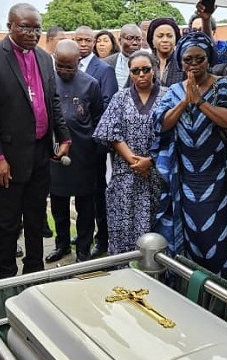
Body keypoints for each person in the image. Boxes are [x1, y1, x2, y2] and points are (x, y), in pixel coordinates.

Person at [0, 3, 70, 279]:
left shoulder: (43, 57)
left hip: (40, 151)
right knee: (8, 222)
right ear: (10, 26)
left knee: (37, 216)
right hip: (6, 156)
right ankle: (6, 277)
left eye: (36, 28)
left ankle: (35, 273)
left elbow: (52, 101)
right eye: (25, 27)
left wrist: (63, 136)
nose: (32, 33)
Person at [150, 33, 227, 283]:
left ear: (209, 59)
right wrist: (185, 101)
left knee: (218, 235)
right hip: (185, 179)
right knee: (189, 234)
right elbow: (161, 124)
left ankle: (220, 291)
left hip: (218, 178)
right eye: (187, 59)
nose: (193, 64)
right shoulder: (173, 90)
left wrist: (200, 101)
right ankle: (190, 289)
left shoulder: (223, 85)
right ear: (180, 62)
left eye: (199, 59)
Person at [93, 51, 167, 256]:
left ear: (154, 70)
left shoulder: (168, 95)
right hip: (126, 173)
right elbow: (111, 132)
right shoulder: (120, 97)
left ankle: (156, 273)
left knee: (155, 227)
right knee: (123, 225)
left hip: (157, 173)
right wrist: (134, 161)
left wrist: (149, 162)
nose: (141, 74)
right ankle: (123, 271)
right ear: (130, 73)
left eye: (146, 69)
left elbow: (172, 135)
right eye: (136, 71)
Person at [46, 40, 103, 263]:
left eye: (69, 66)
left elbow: (98, 119)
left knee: (85, 207)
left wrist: (94, 151)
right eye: (60, 65)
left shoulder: (91, 84)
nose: (64, 71)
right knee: (58, 204)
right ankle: (62, 245)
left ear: (78, 62)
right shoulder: (48, 82)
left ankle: (83, 248)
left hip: (84, 156)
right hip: (55, 154)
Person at [73, 25, 118, 259]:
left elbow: (107, 105)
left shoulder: (104, 69)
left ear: (93, 42)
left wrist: (94, 140)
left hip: (93, 145)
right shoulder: (66, 68)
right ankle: (82, 236)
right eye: (78, 39)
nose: (83, 43)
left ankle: (102, 239)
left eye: (87, 39)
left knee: (97, 194)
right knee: (78, 196)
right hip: (72, 146)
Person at [147, 18, 185, 87]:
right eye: (160, 36)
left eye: (169, 36)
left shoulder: (184, 62)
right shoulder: (144, 61)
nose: (165, 40)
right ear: (152, 40)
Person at [103, 24, 142, 89]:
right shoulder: (106, 63)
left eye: (138, 39)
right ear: (120, 41)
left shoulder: (149, 63)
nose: (135, 43)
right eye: (129, 38)